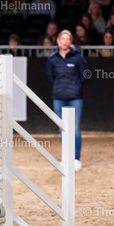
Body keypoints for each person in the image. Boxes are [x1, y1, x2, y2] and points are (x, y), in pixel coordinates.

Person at [46, 29, 86, 172]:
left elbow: (84, 75)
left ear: (70, 42)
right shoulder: (52, 59)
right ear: (58, 41)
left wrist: (76, 87)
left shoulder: (77, 57)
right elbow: (51, 77)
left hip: (75, 98)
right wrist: (59, 88)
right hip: (58, 98)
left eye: (67, 39)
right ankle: (66, 158)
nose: (65, 42)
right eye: (62, 39)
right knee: (62, 129)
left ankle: (76, 159)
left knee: (75, 129)